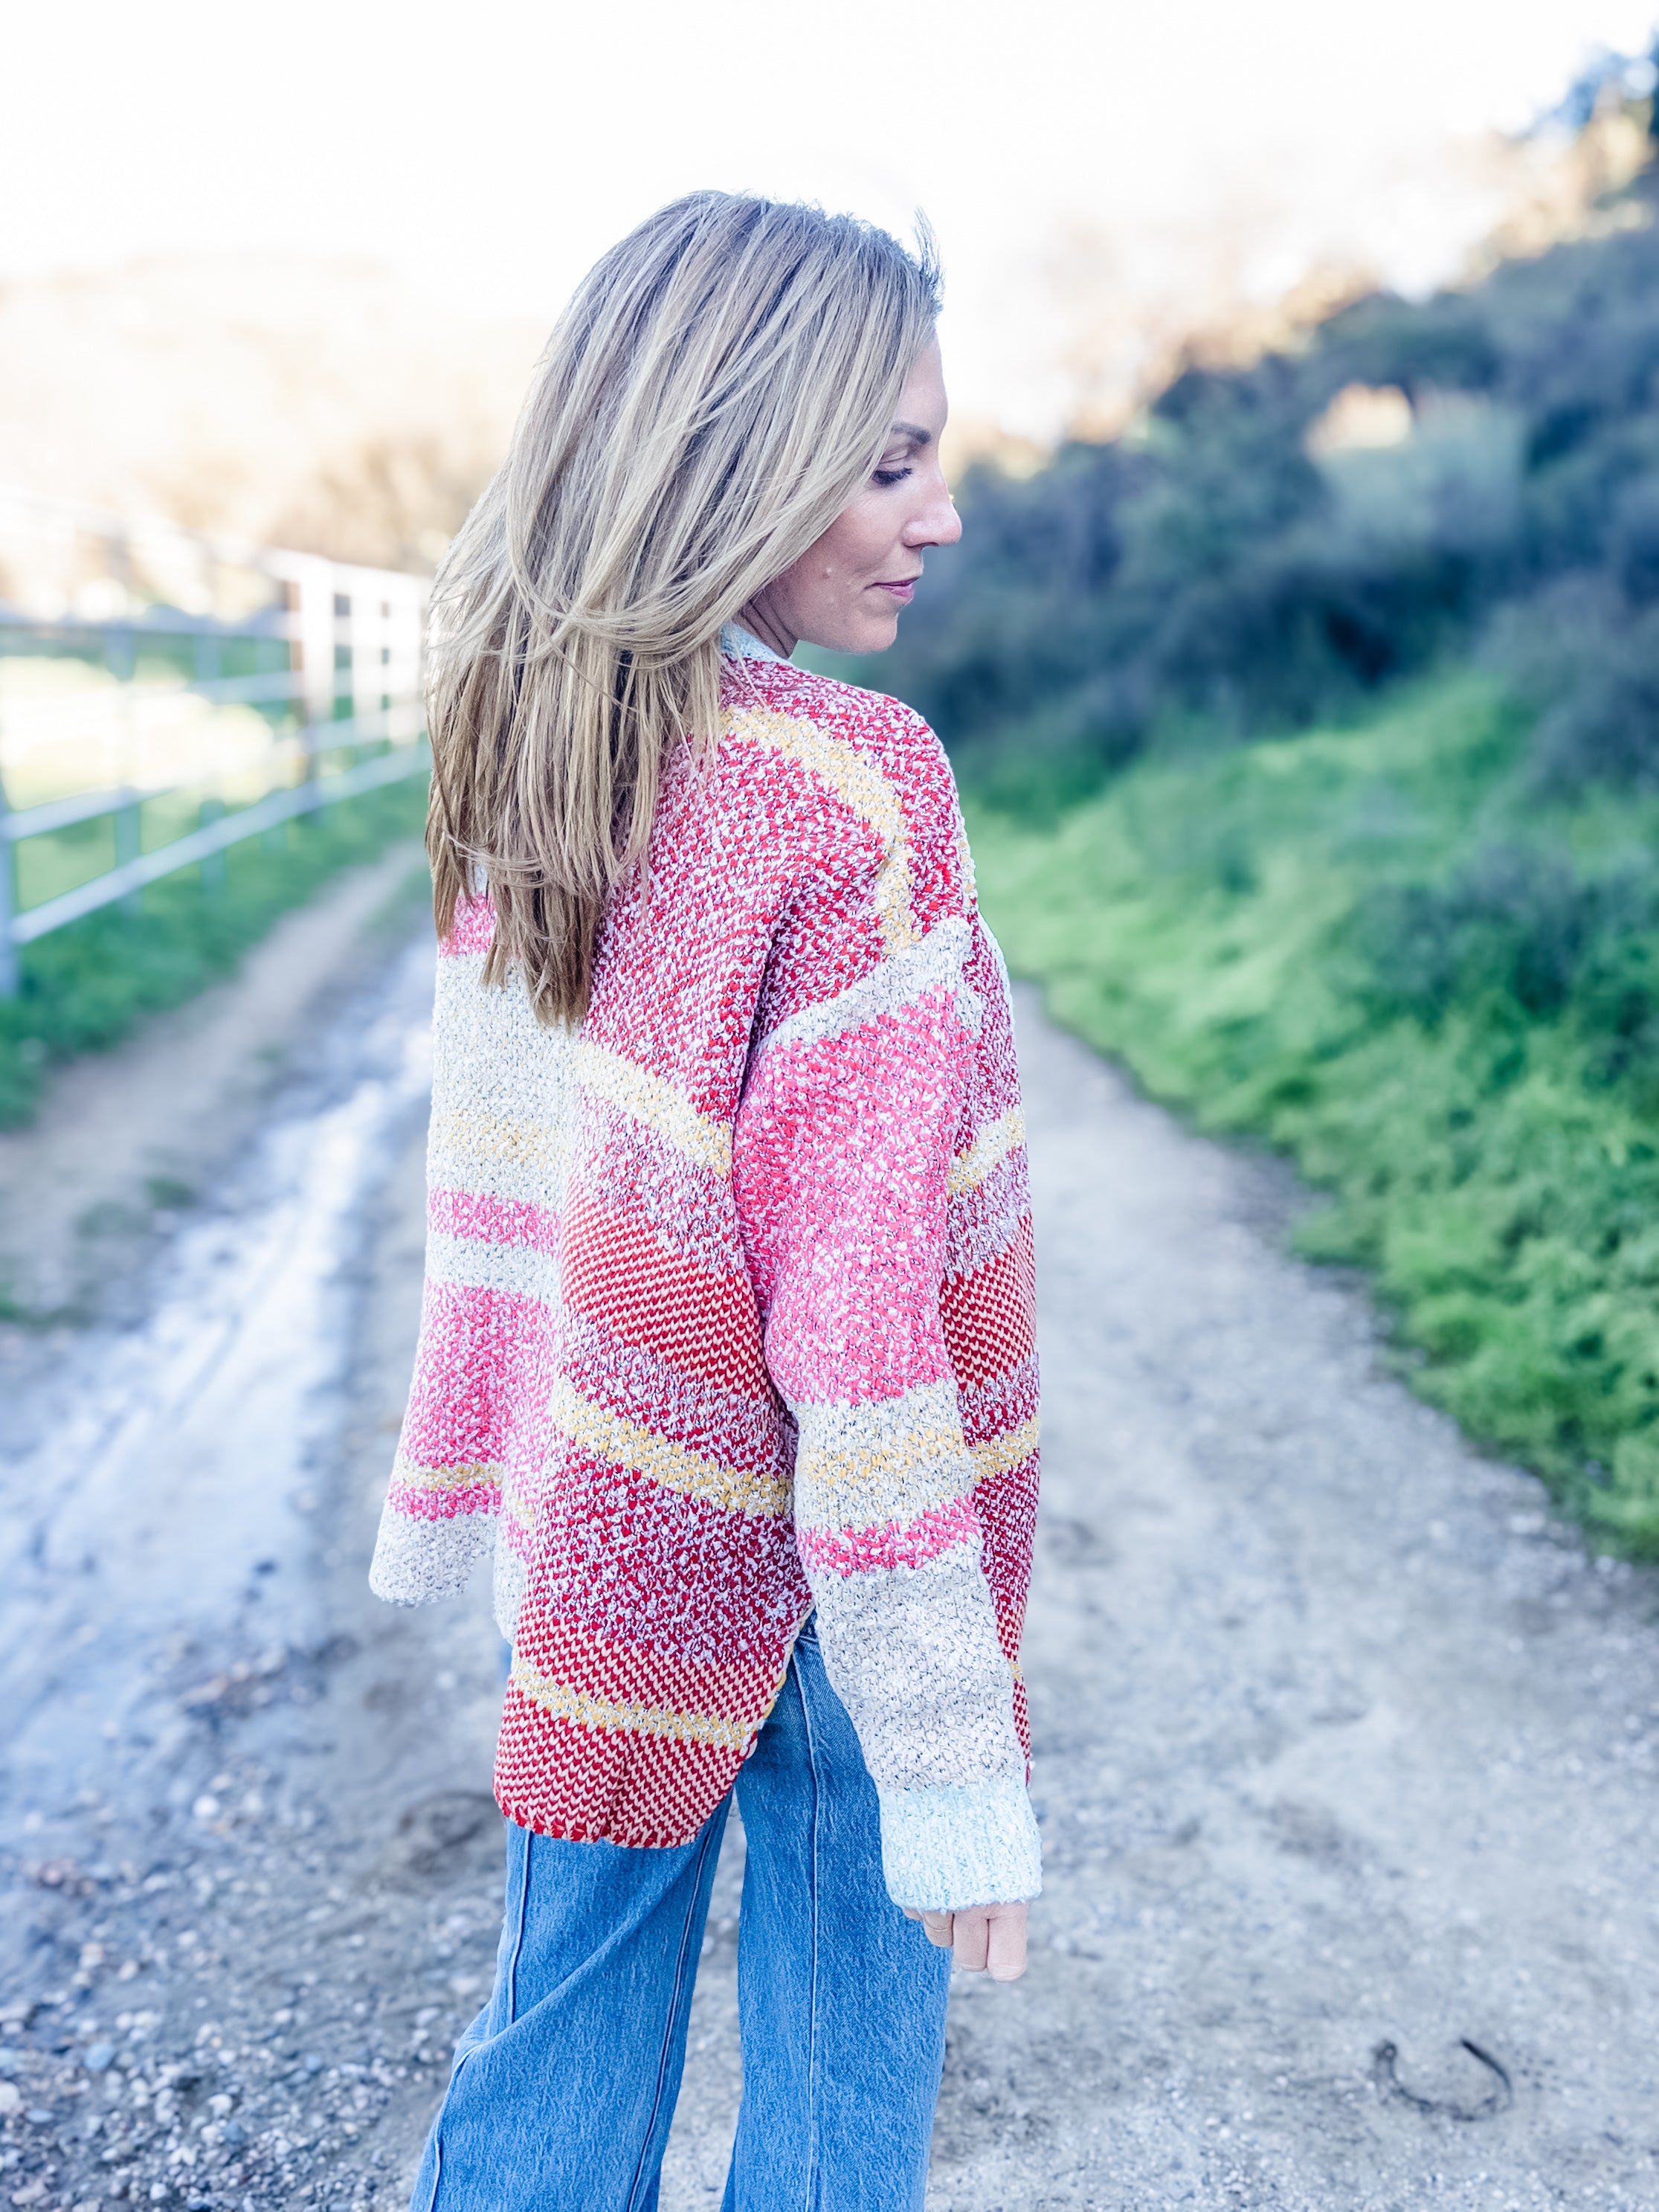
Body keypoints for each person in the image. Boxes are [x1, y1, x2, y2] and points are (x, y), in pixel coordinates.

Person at [370, 190, 1042, 2211]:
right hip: (851, 1588)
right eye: (889, 461)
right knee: (843, 2089)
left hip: (607, 1542)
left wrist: (481, 1491)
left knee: (553, 2043)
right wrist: (949, 1745)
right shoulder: (852, 791)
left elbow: (495, 1196)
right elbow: (859, 1325)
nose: (938, 517)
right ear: (732, 448)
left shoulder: (525, 751)